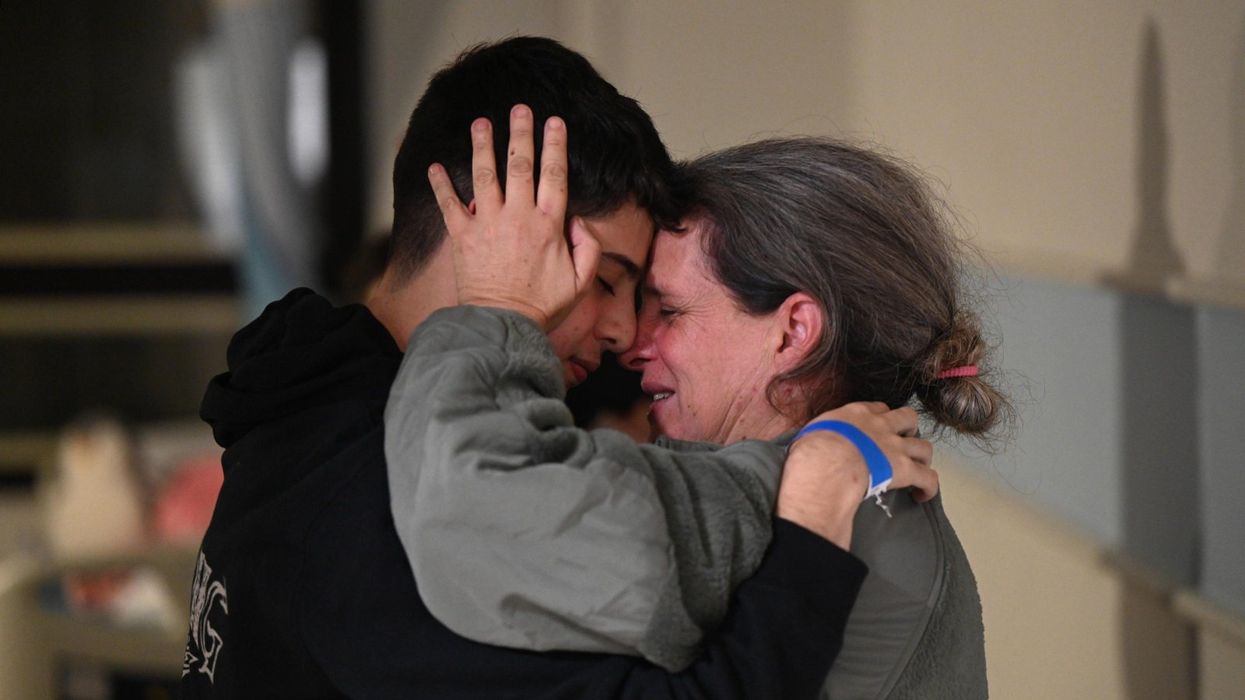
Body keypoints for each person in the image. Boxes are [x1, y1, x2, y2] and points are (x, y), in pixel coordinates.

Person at [182, 37, 936, 699]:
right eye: (606, 278)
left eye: (649, 301)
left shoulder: (309, 399)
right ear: (487, 230)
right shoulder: (387, 497)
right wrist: (807, 520)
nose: (621, 332)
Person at [388, 137, 1007, 698]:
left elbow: (472, 497)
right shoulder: (878, 500)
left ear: (792, 333)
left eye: (671, 311)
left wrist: (501, 306)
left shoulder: (794, 498)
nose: (632, 342)